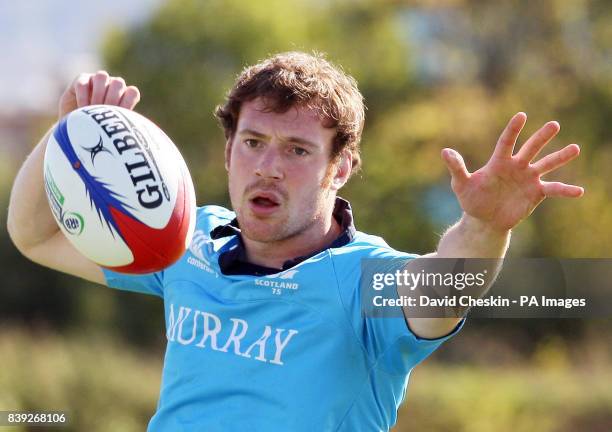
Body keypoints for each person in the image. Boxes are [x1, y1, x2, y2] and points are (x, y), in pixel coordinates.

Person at [7, 51, 583, 431]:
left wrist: (485, 226)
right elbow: (34, 235)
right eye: (253, 141)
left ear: (341, 168)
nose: (268, 167)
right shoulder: (184, 240)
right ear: (227, 149)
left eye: (298, 150)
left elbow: (442, 292)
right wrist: (68, 134)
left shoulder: (362, 278)